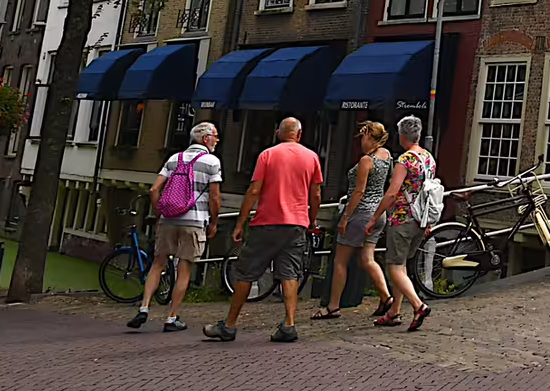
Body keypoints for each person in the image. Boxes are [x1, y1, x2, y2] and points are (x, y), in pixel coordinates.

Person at [204, 117, 322, 344]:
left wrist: (240, 223)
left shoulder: (267, 155)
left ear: (279, 133)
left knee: (245, 272)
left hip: (266, 223)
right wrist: (312, 220)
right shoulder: (312, 157)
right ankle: (289, 324)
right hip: (296, 224)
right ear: (299, 135)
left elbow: (254, 190)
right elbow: (316, 194)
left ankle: (229, 325)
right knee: (290, 273)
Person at [126, 121, 223, 333]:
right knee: (184, 268)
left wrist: (160, 214)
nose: (217, 140)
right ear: (205, 139)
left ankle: (144, 307)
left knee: (158, 263)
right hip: (195, 221)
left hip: (168, 220)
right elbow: (215, 196)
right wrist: (214, 222)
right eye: (215, 136)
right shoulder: (212, 161)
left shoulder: (174, 159)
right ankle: (171, 318)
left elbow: (154, 190)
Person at [315, 120, 392, 320]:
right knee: (367, 258)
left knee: (340, 260)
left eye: (363, 137)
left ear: (370, 137)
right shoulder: (386, 156)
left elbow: (359, 192)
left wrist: (345, 217)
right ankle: (386, 296)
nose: (360, 142)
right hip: (378, 214)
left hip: (360, 214)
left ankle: (333, 306)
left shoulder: (367, 160)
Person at [366, 115, 435, 332]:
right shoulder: (428, 158)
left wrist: (375, 217)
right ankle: (394, 312)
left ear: (402, 136)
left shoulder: (405, 160)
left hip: (402, 218)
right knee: (402, 265)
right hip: (421, 220)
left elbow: (392, 193)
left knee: (394, 267)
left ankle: (418, 305)